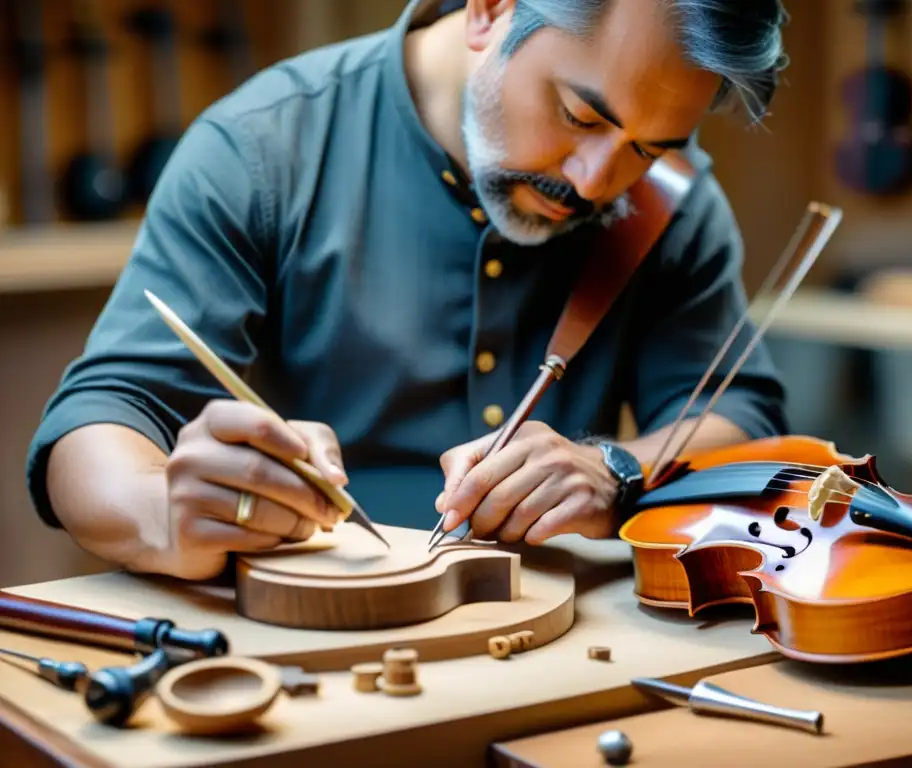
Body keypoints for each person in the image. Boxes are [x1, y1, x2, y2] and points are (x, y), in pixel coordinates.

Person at [26, 0, 791, 581]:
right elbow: (99, 421)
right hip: (312, 638)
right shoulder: (265, 148)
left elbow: (736, 414)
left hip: (563, 641)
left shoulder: (665, 200)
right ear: (490, 9)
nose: (599, 181)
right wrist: (164, 514)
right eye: (580, 115)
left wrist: (616, 469)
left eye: (651, 146)